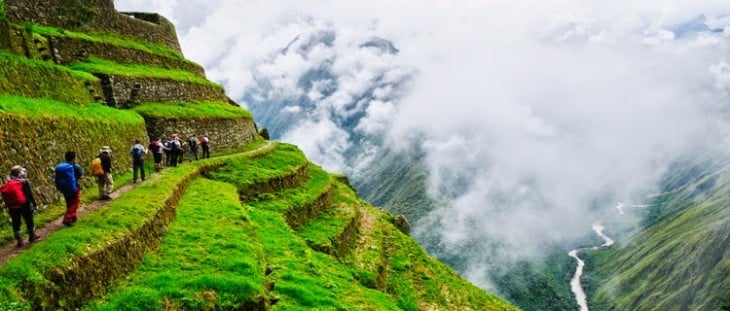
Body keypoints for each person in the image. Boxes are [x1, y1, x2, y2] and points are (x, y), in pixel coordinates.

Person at [1, 166, 40, 247]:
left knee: (16, 222)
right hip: (24, 204)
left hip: (12, 206)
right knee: (29, 219)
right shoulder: (23, 182)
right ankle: (32, 236)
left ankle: (20, 240)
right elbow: (29, 194)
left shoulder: (8, 182)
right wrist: (34, 204)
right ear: (19, 173)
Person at [55, 151, 83, 226]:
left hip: (64, 188)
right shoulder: (76, 166)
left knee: (69, 203)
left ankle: (73, 217)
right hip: (73, 187)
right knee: (75, 203)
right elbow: (81, 176)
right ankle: (67, 219)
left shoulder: (62, 167)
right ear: (74, 158)